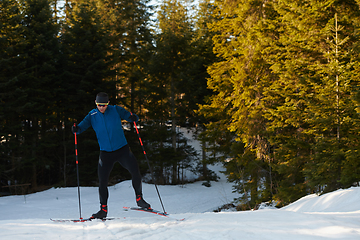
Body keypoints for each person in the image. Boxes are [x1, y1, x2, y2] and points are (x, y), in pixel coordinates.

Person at [71, 92, 151, 219]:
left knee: (135, 172)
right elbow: (81, 127)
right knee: (102, 182)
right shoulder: (92, 115)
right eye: (99, 105)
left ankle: (139, 199)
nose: (101, 107)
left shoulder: (115, 110)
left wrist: (134, 117)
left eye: (103, 105)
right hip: (106, 153)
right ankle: (103, 210)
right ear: (95, 103)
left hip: (122, 149)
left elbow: (129, 116)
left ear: (108, 103)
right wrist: (76, 129)